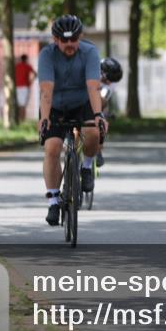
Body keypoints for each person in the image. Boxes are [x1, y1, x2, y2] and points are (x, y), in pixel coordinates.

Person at [37, 15, 107, 226]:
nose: (69, 44)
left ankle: (86, 167)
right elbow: (46, 90)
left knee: (93, 132)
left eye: (73, 39)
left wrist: (98, 115)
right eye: (64, 40)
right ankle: (54, 201)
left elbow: (93, 86)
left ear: (80, 37)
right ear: (55, 39)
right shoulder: (47, 55)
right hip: (55, 105)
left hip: (82, 102)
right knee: (52, 147)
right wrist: (45, 118)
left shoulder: (90, 52)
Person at [14, 54, 37, 121]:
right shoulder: (28, 66)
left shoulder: (16, 66)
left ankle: (18, 120)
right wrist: (30, 82)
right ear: (26, 59)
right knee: (23, 105)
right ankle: (22, 120)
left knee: (18, 104)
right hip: (25, 87)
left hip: (17, 87)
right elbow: (35, 74)